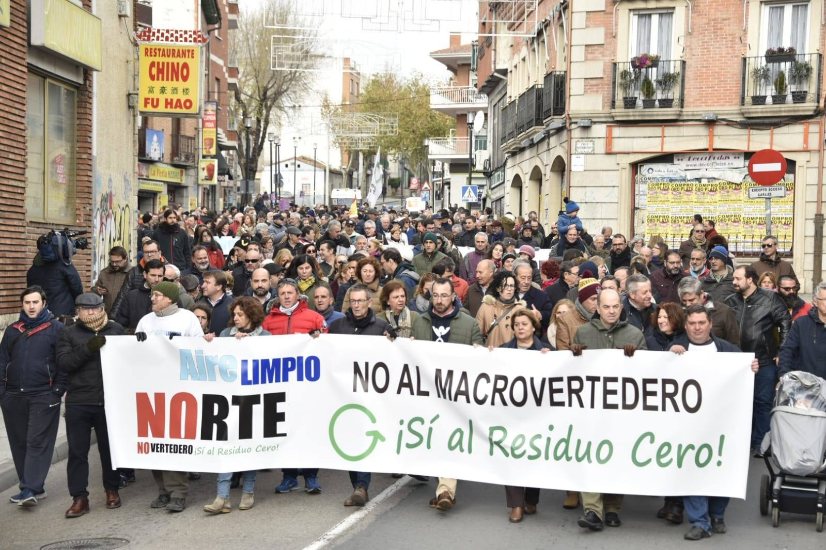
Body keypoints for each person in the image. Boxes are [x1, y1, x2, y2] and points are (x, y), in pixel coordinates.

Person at [669, 305, 758, 540]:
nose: (697, 328)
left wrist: (750, 369)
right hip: (687, 427)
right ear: (685, 325)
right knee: (691, 470)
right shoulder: (676, 349)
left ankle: (717, 514)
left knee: (720, 468)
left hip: (721, 424)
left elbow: (743, 377)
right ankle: (699, 521)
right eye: (692, 323)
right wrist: (668, 354)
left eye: (701, 323)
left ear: (710, 324)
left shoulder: (728, 351)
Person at [572, 289, 646, 531]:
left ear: (621, 307)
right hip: (591, 410)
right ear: (598, 308)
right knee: (591, 455)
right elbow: (572, 372)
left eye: (616, 306)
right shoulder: (583, 332)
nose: (612, 311)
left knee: (617, 456)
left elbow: (649, 375)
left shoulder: (634, 334)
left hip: (623, 410)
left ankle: (613, 507)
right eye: (607, 307)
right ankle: (593, 510)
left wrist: (636, 358)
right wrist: (573, 355)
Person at [412, 278, 483, 512]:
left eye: (445, 295)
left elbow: (480, 359)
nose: (440, 300)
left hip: (455, 395)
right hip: (427, 393)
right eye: (436, 295)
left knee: (448, 440)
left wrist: (482, 353)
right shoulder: (419, 322)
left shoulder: (469, 324)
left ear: (454, 296)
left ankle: (445, 491)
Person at [134, 282, 203, 513]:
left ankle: (178, 493)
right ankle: (162, 490)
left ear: (171, 299)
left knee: (174, 443)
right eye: (153, 294)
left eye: (158, 295)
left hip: (178, 389)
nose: (152, 298)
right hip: (152, 389)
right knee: (155, 443)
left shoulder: (187, 319)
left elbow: (198, 350)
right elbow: (135, 352)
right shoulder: (145, 321)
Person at [56, 293, 123, 518]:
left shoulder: (115, 329)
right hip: (79, 401)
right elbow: (65, 363)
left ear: (103, 308)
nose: (92, 312)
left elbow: (128, 360)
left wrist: (139, 341)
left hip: (108, 400)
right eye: (86, 309)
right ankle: (79, 497)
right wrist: (88, 348)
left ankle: (112, 489)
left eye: (96, 308)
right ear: (78, 311)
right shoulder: (68, 333)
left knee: (109, 448)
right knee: (77, 452)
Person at [203, 297, 270, 514]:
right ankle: (222, 497)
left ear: (252, 315)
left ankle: (248, 492)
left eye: (241, 315)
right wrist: (210, 342)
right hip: (228, 401)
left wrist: (249, 344)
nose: (236, 319)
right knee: (225, 447)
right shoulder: (225, 335)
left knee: (249, 448)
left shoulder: (266, 337)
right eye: (235, 315)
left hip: (252, 401)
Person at [0, 286, 65, 507]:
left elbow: (62, 364)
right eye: (27, 302)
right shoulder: (12, 330)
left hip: (43, 395)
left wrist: (57, 391)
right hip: (13, 396)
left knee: (37, 441)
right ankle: (33, 485)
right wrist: (3, 393)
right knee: (19, 443)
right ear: (22, 304)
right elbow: (1, 362)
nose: (31, 306)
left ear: (44, 303)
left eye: (35, 302)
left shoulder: (56, 328)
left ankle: (29, 489)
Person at [328, 284, 392, 506]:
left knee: (364, 439)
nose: (356, 305)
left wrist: (395, 341)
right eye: (352, 301)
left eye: (360, 301)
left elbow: (395, 357)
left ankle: (361, 487)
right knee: (348, 441)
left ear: (369, 302)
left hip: (370, 396)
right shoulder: (336, 326)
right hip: (343, 395)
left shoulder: (382, 327)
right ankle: (357, 484)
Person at [263, 279, 327, 494]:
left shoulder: (314, 317)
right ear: (278, 295)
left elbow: (328, 345)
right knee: (284, 432)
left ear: (298, 294)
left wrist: (320, 338)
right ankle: (289, 476)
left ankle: (311, 476)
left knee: (309, 430)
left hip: (307, 386)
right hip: (280, 386)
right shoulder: (269, 321)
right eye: (283, 293)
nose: (287, 296)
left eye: (291, 292)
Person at [725, 266, 790, 455]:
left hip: (763, 360)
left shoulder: (770, 299)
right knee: (740, 403)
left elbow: (785, 322)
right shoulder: (730, 301)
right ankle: (740, 442)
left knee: (763, 402)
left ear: (750, 280)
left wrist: (781, 351)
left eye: (737, 278)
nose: (734, 282)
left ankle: (761, 444)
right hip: (737, 363)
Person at [498, 307, 549, 523]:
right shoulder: (503, 351)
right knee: (512, 457)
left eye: (524, 324)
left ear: (533, 327)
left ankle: (531, 500)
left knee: (533, 457)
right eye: (516, 325)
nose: (520, 328)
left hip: (537, 416)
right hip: (511, 414)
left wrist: (551, 358)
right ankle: (516, 505)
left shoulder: (546, 352)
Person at [26, 236, 83, 319]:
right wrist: (80, 304)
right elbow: (76, 287)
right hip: (62, 314)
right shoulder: (64, 265)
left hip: (40, 314)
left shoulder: (33, 268)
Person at [779, 281, 826, 378]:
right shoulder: (801, 324)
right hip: (806, 385)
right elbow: (787, 351)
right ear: (815, 302)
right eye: (825, 299)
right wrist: (784, 376)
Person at [677, 278, 740, 346]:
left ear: (702, 294)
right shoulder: (679, 312)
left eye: (691, 300)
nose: (688, 304)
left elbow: (734, 343)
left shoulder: (724, 312)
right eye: (684, 301)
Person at [114, 259, 164, 332]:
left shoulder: (170, 296)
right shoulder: (131, 296)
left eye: (160, 276)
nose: (156, 279)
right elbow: (121, 325)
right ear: (145, 274)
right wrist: (134, 332)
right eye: (153, 275)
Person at [476, 271, 524, 348]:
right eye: (505, 286)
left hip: (511, 355)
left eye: (512, 286)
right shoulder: (486, 307)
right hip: (490, 354)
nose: (509, 289)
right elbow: (477, 334)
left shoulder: (520, 310)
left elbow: (526, 338)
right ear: (498, 288)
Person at [513, 260, 552, 333]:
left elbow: (550, 314)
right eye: (523, 278)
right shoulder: (508, 293)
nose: (526, 281)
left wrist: (540, 315)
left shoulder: (541, 296)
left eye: (529, 278)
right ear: (515, 277)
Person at [92, 246, 131, 314]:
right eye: (112, 261)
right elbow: (94, 291)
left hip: (127, 315)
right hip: (108, 314)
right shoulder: (104, 273)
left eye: (117, 261)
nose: (114, 264)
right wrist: (97, 291)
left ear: (125, 259)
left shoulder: (133, 273)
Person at [200, 270, 233, 336]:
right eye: (204, 282)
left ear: (219, 286)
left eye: (207, 282)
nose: (203, 286)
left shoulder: (233, 305)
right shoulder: (199, 304)